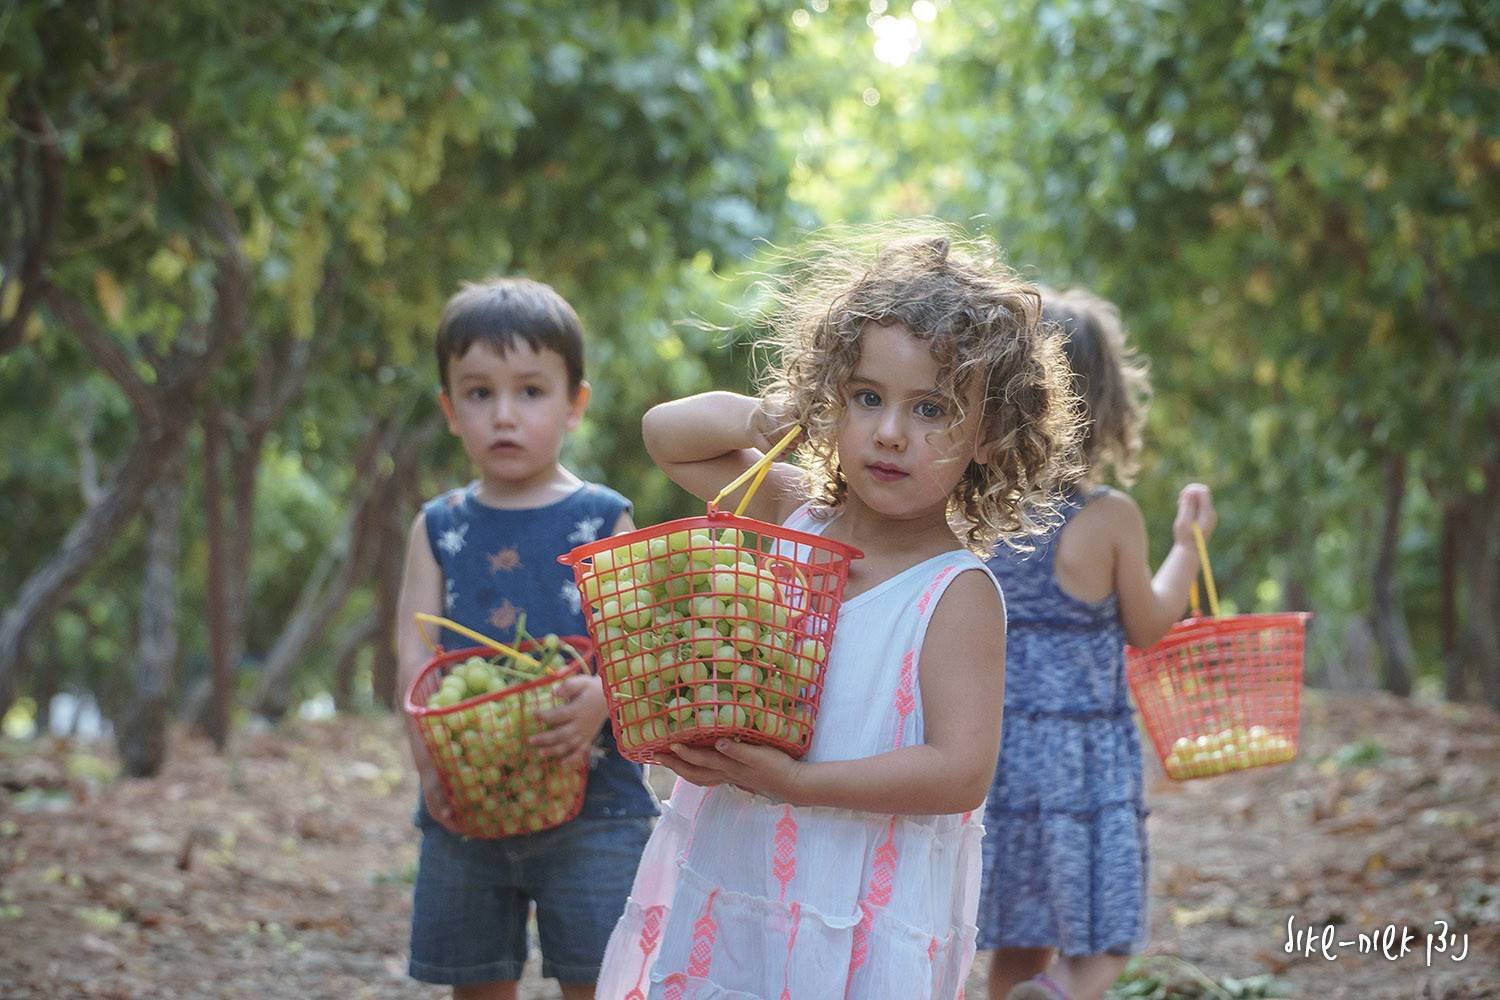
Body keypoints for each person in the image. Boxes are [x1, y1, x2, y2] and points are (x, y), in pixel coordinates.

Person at [595, 226, 1079, 999]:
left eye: (931, 409)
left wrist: (796, 782)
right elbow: (668, 438)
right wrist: (771, 417)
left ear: (989, 435)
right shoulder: (793, 513)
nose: (890, 432)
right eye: (866, 397)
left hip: (856, 905)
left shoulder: (953, 592)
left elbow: (959, 773)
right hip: (740, 864)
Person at [394, 277, 658, 1000]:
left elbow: (641, 647)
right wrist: (430, 763)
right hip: (469, 801)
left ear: (576, 403)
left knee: (599, 980)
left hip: (596, 800)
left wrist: (602, 698)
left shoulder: (605, 518)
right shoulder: (439, 526)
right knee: (476, 980)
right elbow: (413, 653)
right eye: (479, 394)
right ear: (450, 410)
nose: (503, 416)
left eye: (531, 392)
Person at [977, 288, 1217, 1000]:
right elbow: (1148, 624)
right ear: (1104, 403)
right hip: (1082, 763)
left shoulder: (978, 511)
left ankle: (1029, 990)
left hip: (996, 752)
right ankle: (1057, 996)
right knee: (1105, 937)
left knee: (1019, 936)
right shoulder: (1109, 519)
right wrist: (1187, 547)